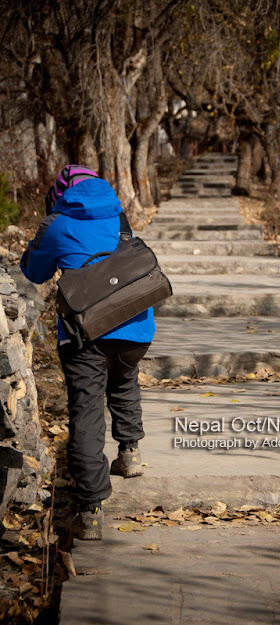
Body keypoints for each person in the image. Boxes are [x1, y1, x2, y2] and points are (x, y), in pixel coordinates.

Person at [20, 165, 155, 540]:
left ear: (60, 192)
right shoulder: (120, 215)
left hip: (85, 333)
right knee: (124, 380)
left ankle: (91, 509)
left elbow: (33, 272)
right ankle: (129, 454)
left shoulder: (57, 223)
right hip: (135, 323)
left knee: (88, 408)